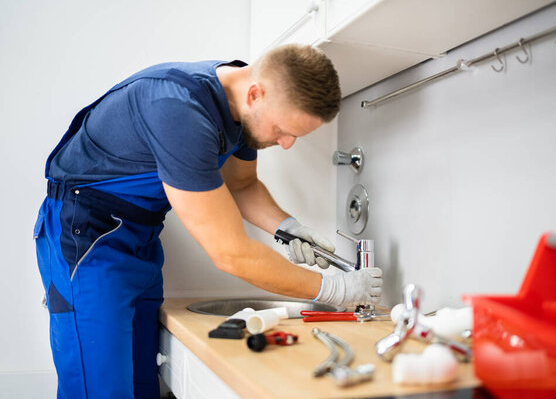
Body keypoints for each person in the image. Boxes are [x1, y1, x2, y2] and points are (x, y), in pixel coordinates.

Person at [34, 44, 383, 398]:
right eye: (282, 130)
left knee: (141, 388)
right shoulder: (179, 110)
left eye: (296, 134)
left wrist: (287, 226)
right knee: (101, 391)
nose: (287, 143)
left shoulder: (241, 108)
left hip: (139, 239)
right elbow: (231, 253)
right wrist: (336, 290)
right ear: (255, 94)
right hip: (86, 238)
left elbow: (242, 184)